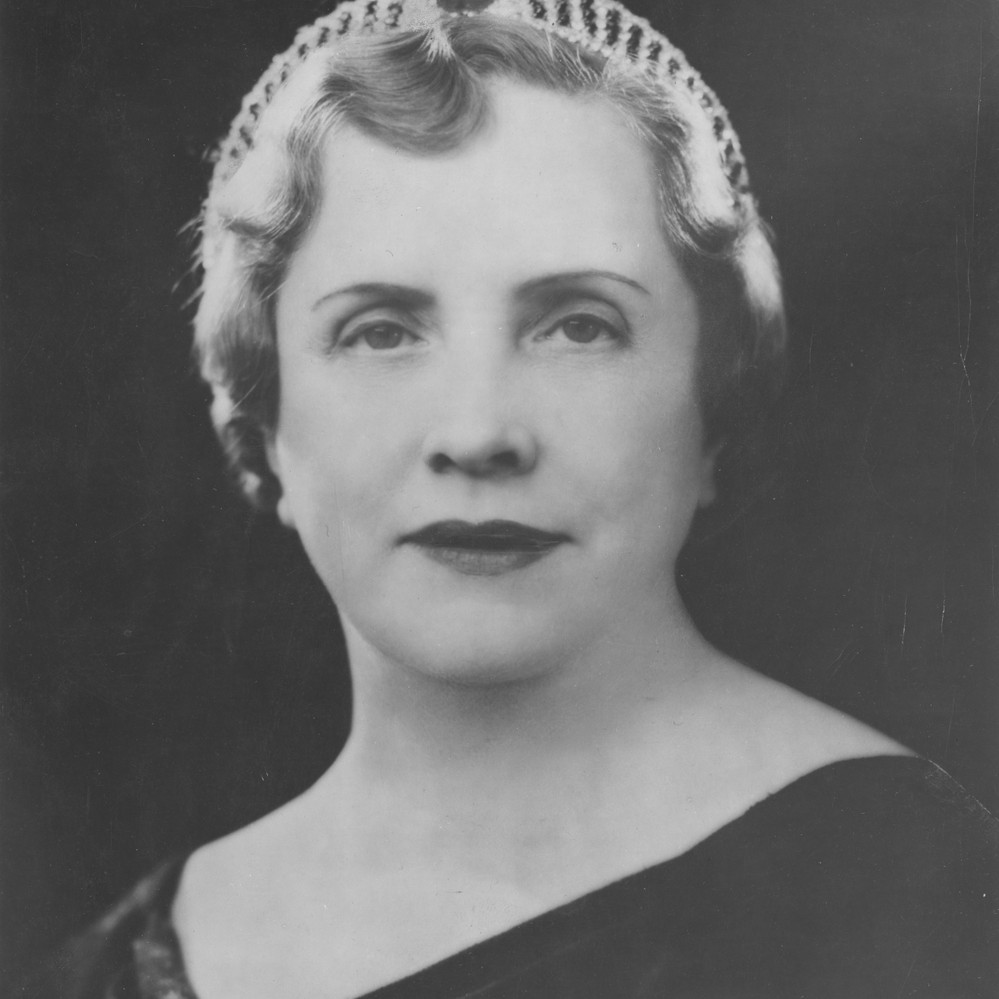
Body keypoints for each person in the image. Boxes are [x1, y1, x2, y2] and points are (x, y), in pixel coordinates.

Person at [20, 1, 997, 996]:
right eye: (380, 331)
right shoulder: (104, 972)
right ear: (267, 418)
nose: (478, 432)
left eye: (579, 325)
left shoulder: (917, 895)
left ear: (714, 400)